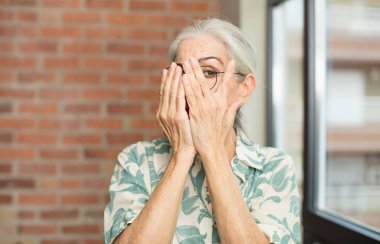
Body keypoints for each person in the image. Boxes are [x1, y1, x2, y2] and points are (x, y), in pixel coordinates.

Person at [104, 18, 300, 244]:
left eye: (208, 72)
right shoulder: (136, 160)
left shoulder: (274, 167)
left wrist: (213, 151)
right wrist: (181, 154)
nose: (190, 86)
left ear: (244, 90)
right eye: (181, 73)